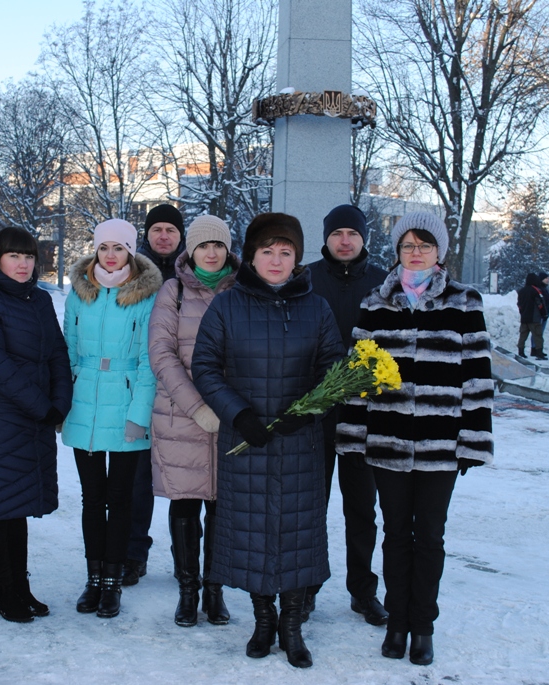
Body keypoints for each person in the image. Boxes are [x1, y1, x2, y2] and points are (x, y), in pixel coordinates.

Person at [336, 211, 493, 667]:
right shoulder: (376, 301)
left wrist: (473, 440)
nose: (417, 252)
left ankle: (422, 625)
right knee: (395, 535)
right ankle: (397, 622)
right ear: (398, 251)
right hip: (387, 442)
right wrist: (354, 434)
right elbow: (356, 376)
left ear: (439, 251)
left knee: (430, 536)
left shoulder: (464, 301)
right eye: (408, 245)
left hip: (441, 445)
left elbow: (478, 376)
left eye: (425, 244)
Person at [192, 212, 341, 669]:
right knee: (251, 531)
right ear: (251, 257)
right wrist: (238, 413)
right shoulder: (227, 305)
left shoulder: (317, 308)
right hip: (248, 439)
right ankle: (262, 621)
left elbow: (334, 366)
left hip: (300, 442)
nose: (276, 261)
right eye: (267, 252)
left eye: (285, 253)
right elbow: (205, 368)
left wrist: (312, 408)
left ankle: (292, 627)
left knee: (297, 533)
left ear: (297, 259)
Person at [0, 227, 73, 623]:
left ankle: (19, 587)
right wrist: (41, 406)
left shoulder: (39, 299)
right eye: (14, 256)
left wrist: (60, 401)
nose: (23, 263)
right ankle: (1, 590)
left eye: (28, 256)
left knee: (17, 506)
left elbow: (57, 352)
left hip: (31, 417)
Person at [62, 218, 162, 619]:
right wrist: (64, 402)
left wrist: (139, 415)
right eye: (103, 247)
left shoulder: (145, 294)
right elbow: (67, 348)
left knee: (121, 499)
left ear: (130, 252)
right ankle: (93, 577)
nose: (109, 254)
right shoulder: (79, 293)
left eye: (118, 248)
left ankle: (113, 581)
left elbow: (147, 361)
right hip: (84, 401)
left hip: (125, 403)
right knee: (92, 498)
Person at [148, 215, 239, 628]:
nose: (212, 252)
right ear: (192, 250)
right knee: (185, 506)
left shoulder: (242, 290)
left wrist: (229, 405)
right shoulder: (174, 290)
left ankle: (214, 591)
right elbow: (162, 354)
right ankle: (188, 592)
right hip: (180, 417)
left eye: (218, 245)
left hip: (230, 415)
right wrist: (197, 407)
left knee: (222, 508)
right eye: (204, 246)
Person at [305, 204, 389, 626]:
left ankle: (363, 591)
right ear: (325, 238)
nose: (344, 241)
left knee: (361, 509)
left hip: (364, 416)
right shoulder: (306, 279)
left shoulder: (382, 284)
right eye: (336, 233)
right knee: (309, 507)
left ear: (362, 239)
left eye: (351, 234)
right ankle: (306, 587)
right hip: (315, 414)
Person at [123, 203, 186, 586]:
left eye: (171, 230)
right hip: (140, 388)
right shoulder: (130, 272)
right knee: (136, 480)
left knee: (184, 480)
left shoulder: (193, 273)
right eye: (157, 228)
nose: (163, 235)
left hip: (183, 387)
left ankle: (186, 558)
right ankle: (133, 553)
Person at [516, 272, 547, 359]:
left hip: (524, 317)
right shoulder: (536, 290)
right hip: (534, 317)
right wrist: (544, 313)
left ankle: (521, 351)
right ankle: (539, 352)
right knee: (537, 336)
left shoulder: (521, 291)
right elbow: (540, 304)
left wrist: (522, 312)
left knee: (523, 335)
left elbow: (519, 304)